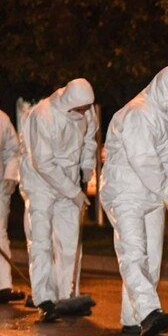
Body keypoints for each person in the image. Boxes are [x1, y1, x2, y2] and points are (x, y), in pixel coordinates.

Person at [100, 65, 168, 336]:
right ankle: (150, 312)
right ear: (162, 88)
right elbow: (144, 160)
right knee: (133, 252)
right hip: (125, 191)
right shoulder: (137, 113)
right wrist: (167, 192)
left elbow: (165, 156)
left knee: (151, 257)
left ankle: (133, 318)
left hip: (152, 193)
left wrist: (165, 193)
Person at [19, 79, 98, 323]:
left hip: (71, 180)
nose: (85, 113)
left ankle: (68, 296)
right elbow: (42, 162)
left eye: (87, 109)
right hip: (40, 182)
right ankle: (44, 298)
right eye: (82, 110)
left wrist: (86, 167)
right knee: (41, 240)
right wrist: (72, 192)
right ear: (69, 104)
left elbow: (90, 139)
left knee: (70, 240)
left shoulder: (87, 108)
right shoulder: (42, 115)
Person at [0, 110, 25, 304]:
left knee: (0, 232)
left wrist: (10, 174)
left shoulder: (2, 119)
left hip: (0, 187)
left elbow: (12, 150)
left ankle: (3, 285)